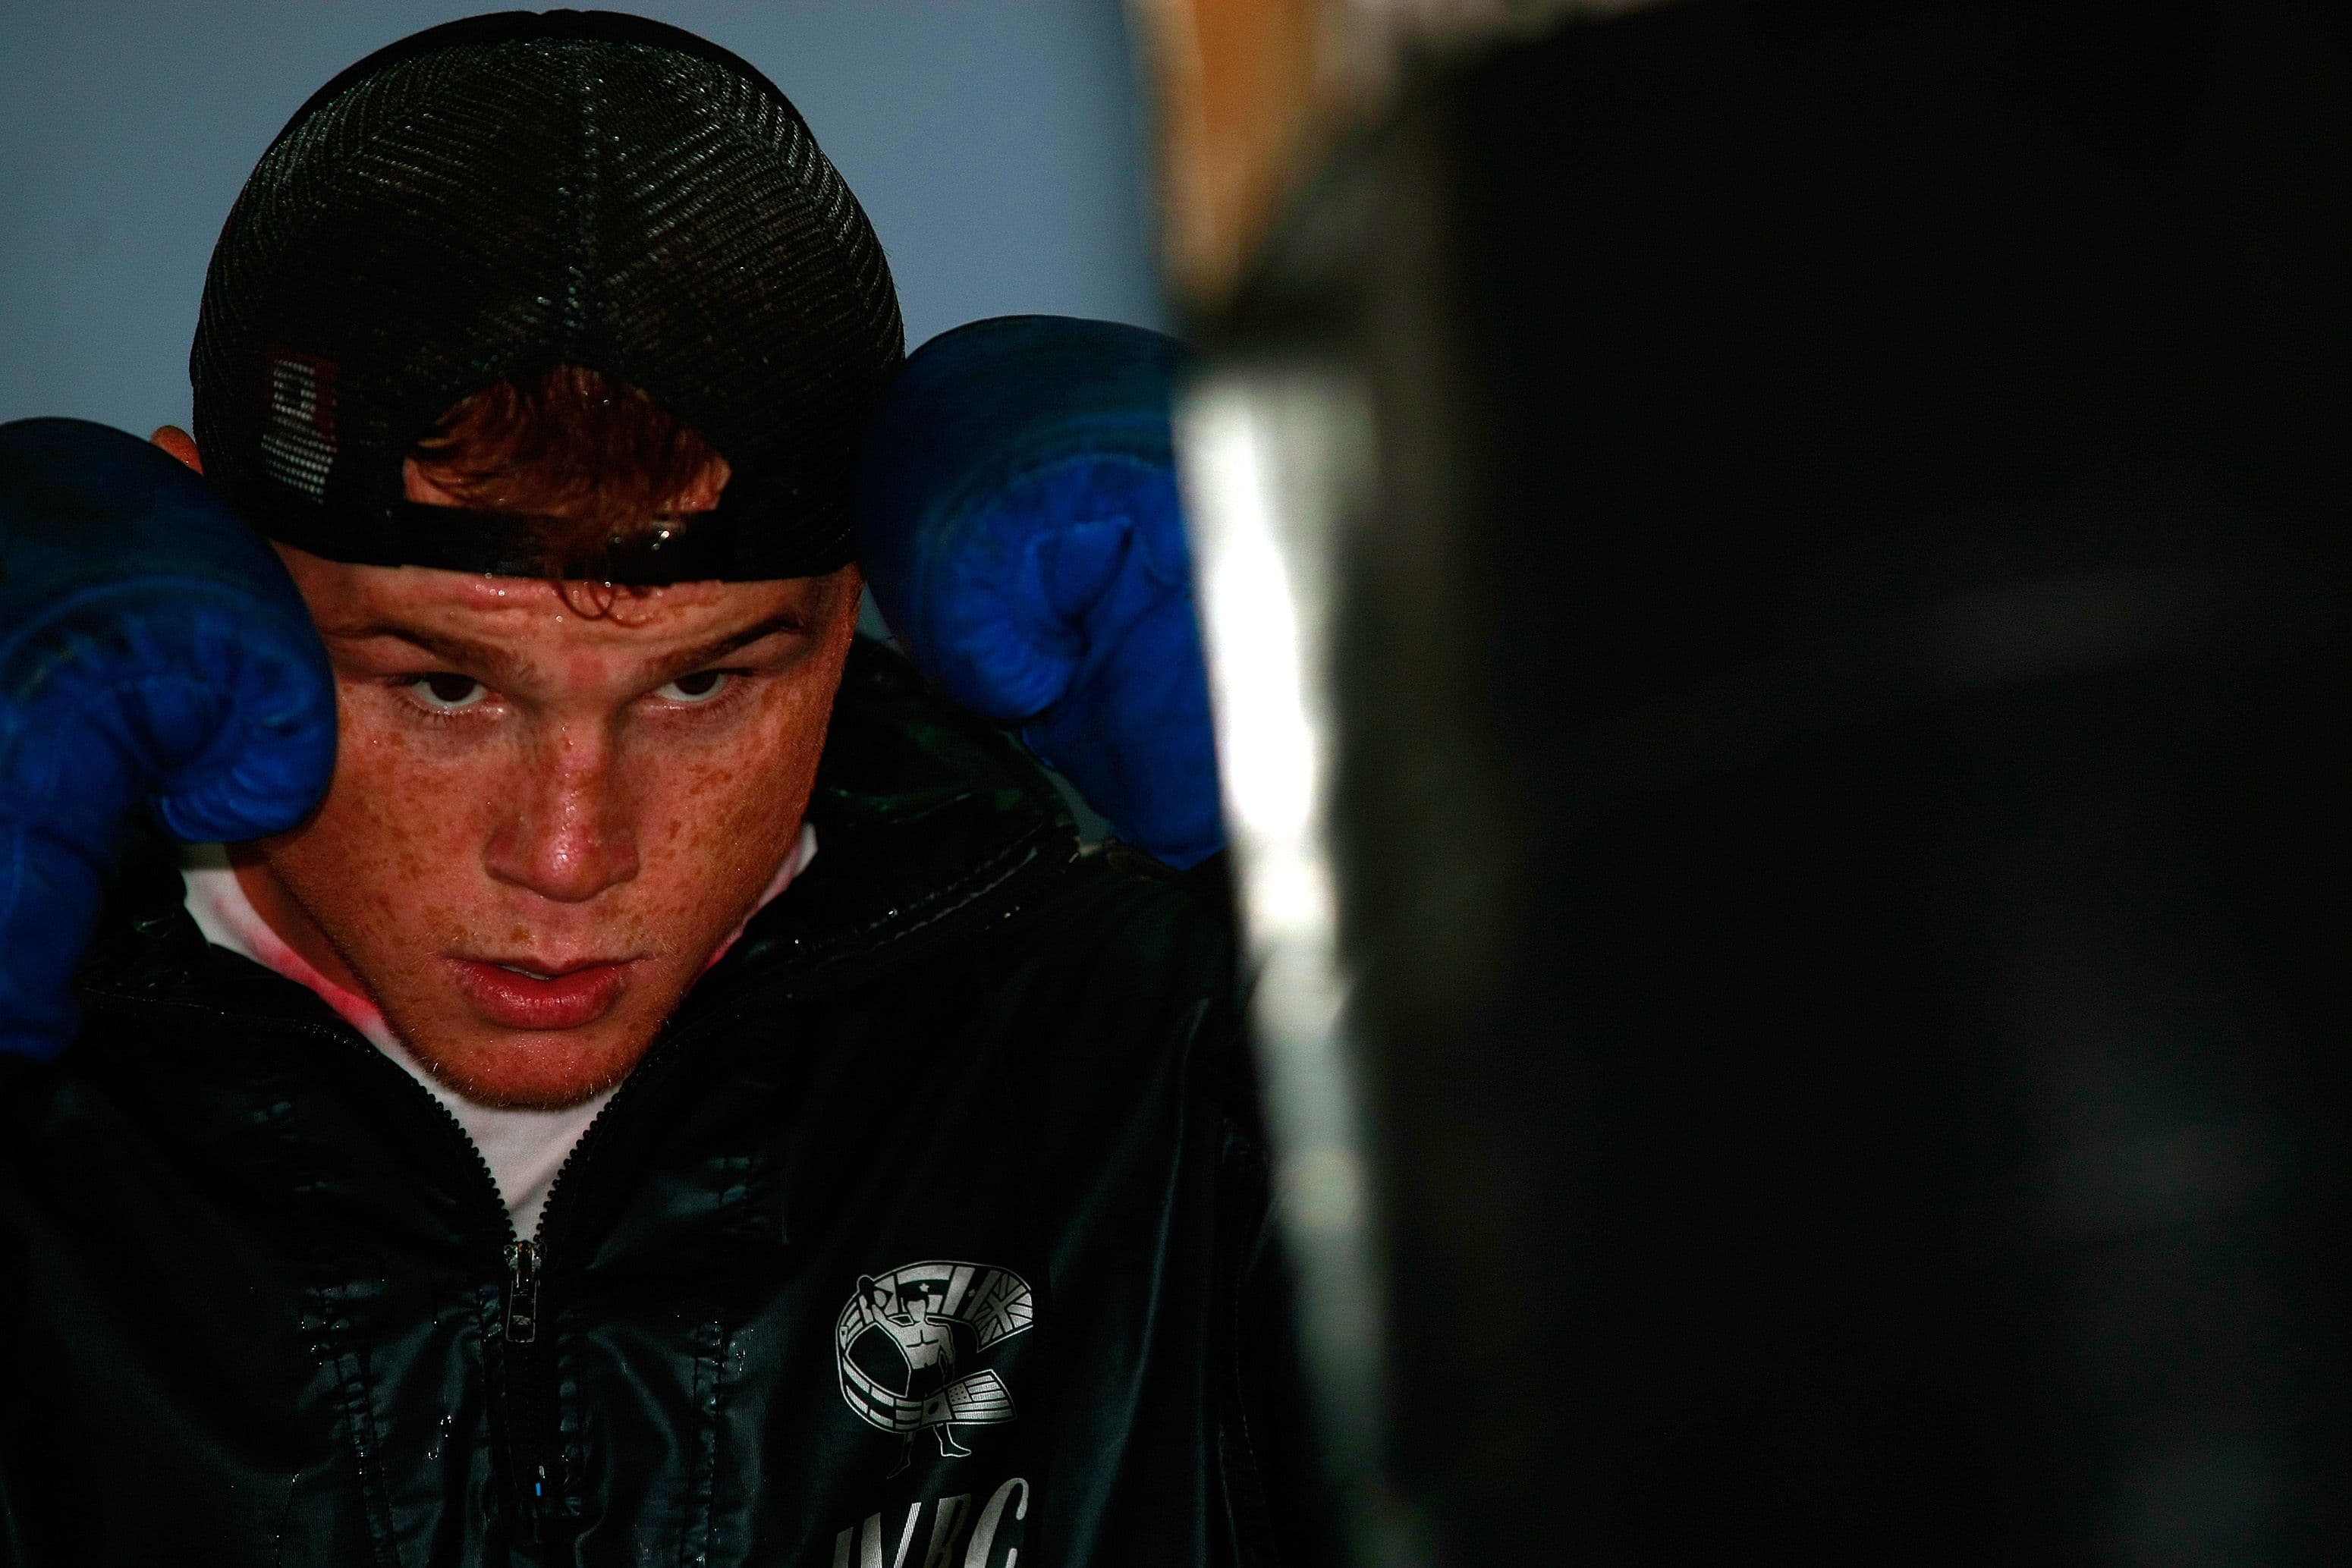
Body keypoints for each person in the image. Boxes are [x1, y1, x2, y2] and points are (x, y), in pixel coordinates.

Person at [0, 12, 1305, 1566]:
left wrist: (1401, 886)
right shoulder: (42, 1123)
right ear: (209, 560)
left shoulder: (1150, 1086)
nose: (568, 853)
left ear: (859, 601)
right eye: (445, 684)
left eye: (703, 682)